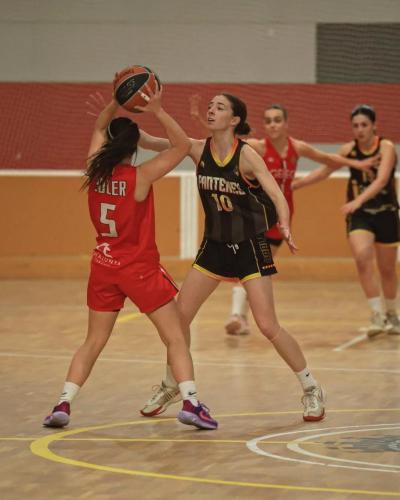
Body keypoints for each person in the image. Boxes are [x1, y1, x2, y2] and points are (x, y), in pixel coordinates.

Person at [138, 93, 326, 422]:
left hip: (249, 246)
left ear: (235, 119)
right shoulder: (197, 149)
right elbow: (158, 142)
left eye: (220, 107)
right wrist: (130, 120)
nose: (211, 110)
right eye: (210, 106)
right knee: (179, 320)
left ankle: (311, 388)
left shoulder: (247, 155)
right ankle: (171, 384)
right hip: (214, 246)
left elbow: (276, 192)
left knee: (268, 325)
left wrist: (285, 222)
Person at [43, 85, 218, 430]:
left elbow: (97, 128)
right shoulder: (140, 175)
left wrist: (115, 102)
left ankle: (63, 403)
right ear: (134, 146)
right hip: (138, 269)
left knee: (93, 340)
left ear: (109, 144)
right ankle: (191, 403)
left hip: (103, 266)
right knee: (176, 337)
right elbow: (183, 146)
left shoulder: (94, 169)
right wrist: (157, 109)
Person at [190, 97, 378, 335]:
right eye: (268, 121)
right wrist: (200, 119)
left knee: (256, 268)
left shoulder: (296, 147)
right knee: (248, 265)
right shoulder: (256, 147)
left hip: (280, 216)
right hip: (255, 214)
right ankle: (237, 315)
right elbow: (219, 141)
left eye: (277, 120)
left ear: (286, 124)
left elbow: (327, 160)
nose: (273, 125)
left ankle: (246, 316)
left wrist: (356, 164)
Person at [292, 104, 400, 337]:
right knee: (362, 257)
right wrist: (294, 186)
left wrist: (357, 200)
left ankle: (392, 314)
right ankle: (377, 316)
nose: (360, 130)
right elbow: (323, 172)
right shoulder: (348, 150)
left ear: (374, 126)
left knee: (388, 269)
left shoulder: (386, 147)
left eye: (364, 125)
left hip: (386, 212)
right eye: (355, 126)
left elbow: (381, 181)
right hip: (360, 215)